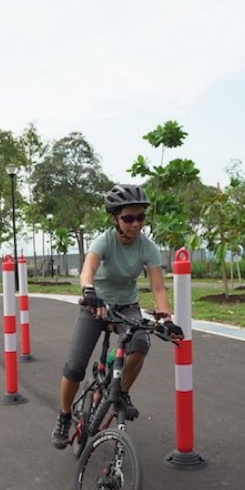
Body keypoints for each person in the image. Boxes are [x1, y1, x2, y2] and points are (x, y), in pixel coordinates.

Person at [51, 184, 183, 448]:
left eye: (141, 218)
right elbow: (87, 269)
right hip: (96, 304)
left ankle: (121, 392)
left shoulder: (148, 247)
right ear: (115, 218)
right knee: (75, 367)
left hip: (126, 305)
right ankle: (64, 417)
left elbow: (158, 286)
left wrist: (166, 318)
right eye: (129, 218)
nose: (136, 224)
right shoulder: (104, 241)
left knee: (141, 343)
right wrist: (89, 291)